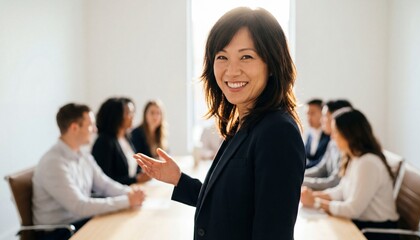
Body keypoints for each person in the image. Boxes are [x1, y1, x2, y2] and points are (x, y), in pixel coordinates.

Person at [134, 7, 305, 240]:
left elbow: (272, 233)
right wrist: (178, 179)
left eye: (246, 56)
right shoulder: (243, 123)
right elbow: (232, 205)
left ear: (272, 64)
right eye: (222, 57)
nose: (231, 71)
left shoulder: (277, 131)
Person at [32, 103, 145, 240]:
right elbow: (80, 206)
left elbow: (104, 185)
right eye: (90, 125)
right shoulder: (53, 163)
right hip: (60, 232)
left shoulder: (83, 154)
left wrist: (130, 193)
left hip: (79, 221)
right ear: (74, 128)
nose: (95, 130)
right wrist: (127, 201)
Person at [300, 108, 399, 240]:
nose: (332, 136)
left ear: (349, 134)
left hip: (376, 232)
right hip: (362, 224)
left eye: (335, 132)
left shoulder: (368, 163)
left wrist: (316, 202)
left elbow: (352, 209)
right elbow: (342, 191)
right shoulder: (355, 157)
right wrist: (314, 195)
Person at [92, 97, 150, 185]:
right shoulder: (104, 142)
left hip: (131, 191)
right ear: (116, 115)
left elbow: (131, 168)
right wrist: (135, 179)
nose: (133, 116)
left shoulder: (126, 137)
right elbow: (104, 181)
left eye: (133, 112)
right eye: (129, 112)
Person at [302, 99, 353, 190]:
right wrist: (297, 176)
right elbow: (322, 169)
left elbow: (335, 182)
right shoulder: (332, 143)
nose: (321, 120)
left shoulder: (346, 148)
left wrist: (300, 181)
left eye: (325, 116)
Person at [304, 98, 330, 168]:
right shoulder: (309, 134)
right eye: (307, 114)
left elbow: (323, 163)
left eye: (312, 113)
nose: (308, 117)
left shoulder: (330, 135)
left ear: (322, 113)